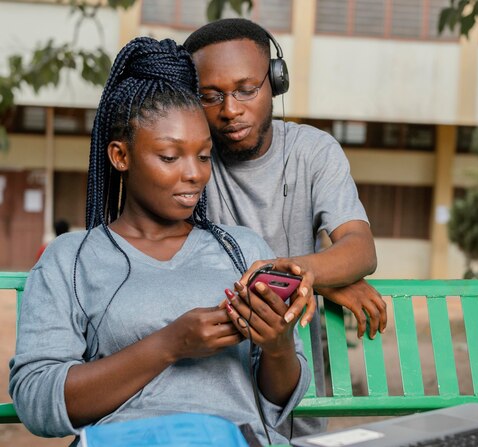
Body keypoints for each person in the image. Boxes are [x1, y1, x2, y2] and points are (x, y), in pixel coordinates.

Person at [9, 37, 311, 446]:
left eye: (204, 157)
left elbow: (277, 398)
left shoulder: (243, 251)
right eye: (170, 157)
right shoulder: (72, 259)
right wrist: (169, 345)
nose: (194, 175)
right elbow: (36, 400)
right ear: (120, 155)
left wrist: (277, 345)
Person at [183, 19, 387, 437]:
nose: (230, 109)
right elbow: (187, 265)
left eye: (246, 89)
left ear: (275, 82)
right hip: (215, 384)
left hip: (297, 387)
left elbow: (360, 250)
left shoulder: (313, 151)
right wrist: (322, 280)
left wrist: (295, 274)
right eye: (211, 95)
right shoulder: (190, 160)